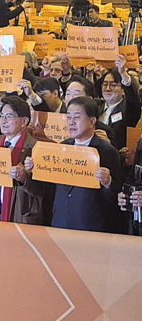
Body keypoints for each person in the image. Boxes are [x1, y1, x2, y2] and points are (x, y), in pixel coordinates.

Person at [26, 96, 123, 232]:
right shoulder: (62, 147)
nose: (71, 122)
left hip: (91, 225)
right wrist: (34, 170)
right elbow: (52, 187)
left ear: (92, 121)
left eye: (77, 117)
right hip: (60, 221)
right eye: (69, 117)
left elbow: (116, 195)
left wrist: (108, 182)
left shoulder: (107, 151)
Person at [0, 96, 47, 224]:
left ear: (24, 121)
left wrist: (24, 179)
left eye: (9, 116)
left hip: (18, 215)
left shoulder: (35, 147)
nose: (3, 120)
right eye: (1, 116)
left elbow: (42, 190)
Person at [96, 56, 141, 149]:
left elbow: (133, 99)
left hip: (117, 155)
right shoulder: (96, 106)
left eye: (113, 85)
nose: (107, 89)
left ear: (123, 90)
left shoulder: (128, 109)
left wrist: (123, 73)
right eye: (105, 84)